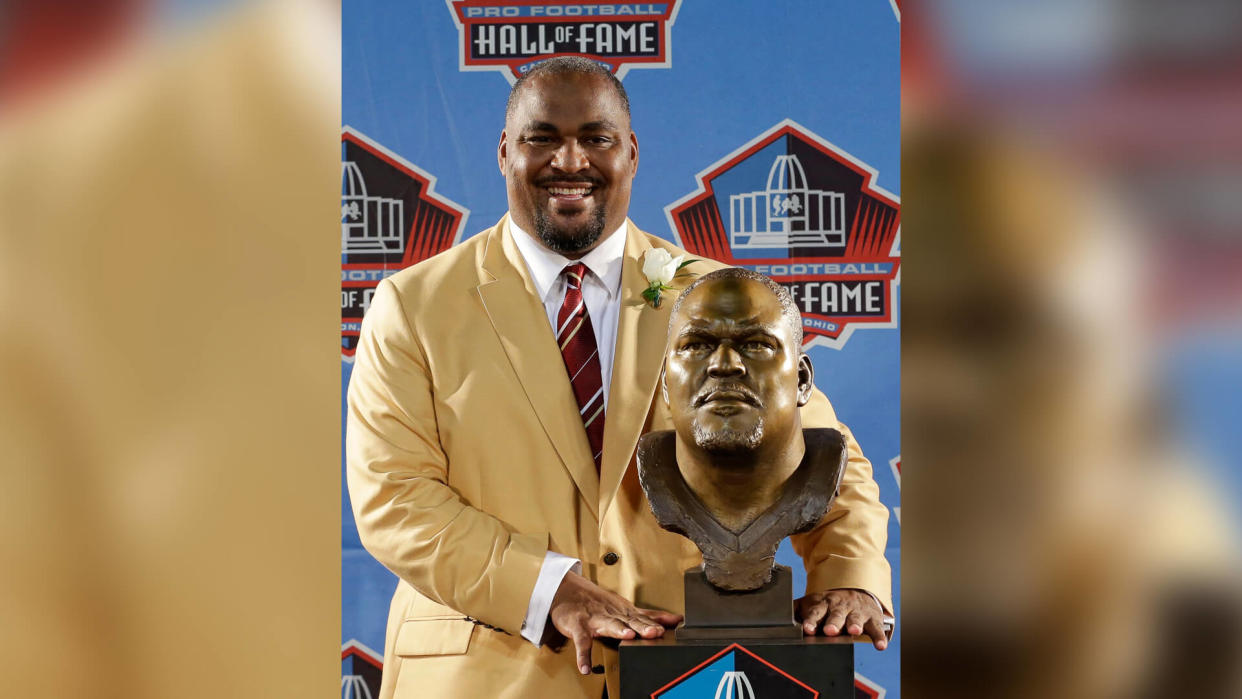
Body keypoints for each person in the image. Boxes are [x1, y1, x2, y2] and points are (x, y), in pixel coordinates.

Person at [346, 56, 891, 699]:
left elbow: (827, 454)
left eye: (596, 139)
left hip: (686, 674)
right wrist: (546, 589)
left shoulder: (714, 297)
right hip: (483, 676)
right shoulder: (413, 305)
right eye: (542, 137)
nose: (570, 161)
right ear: (503, 152)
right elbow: (395, 498)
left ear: (631, 152)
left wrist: (850, 573)